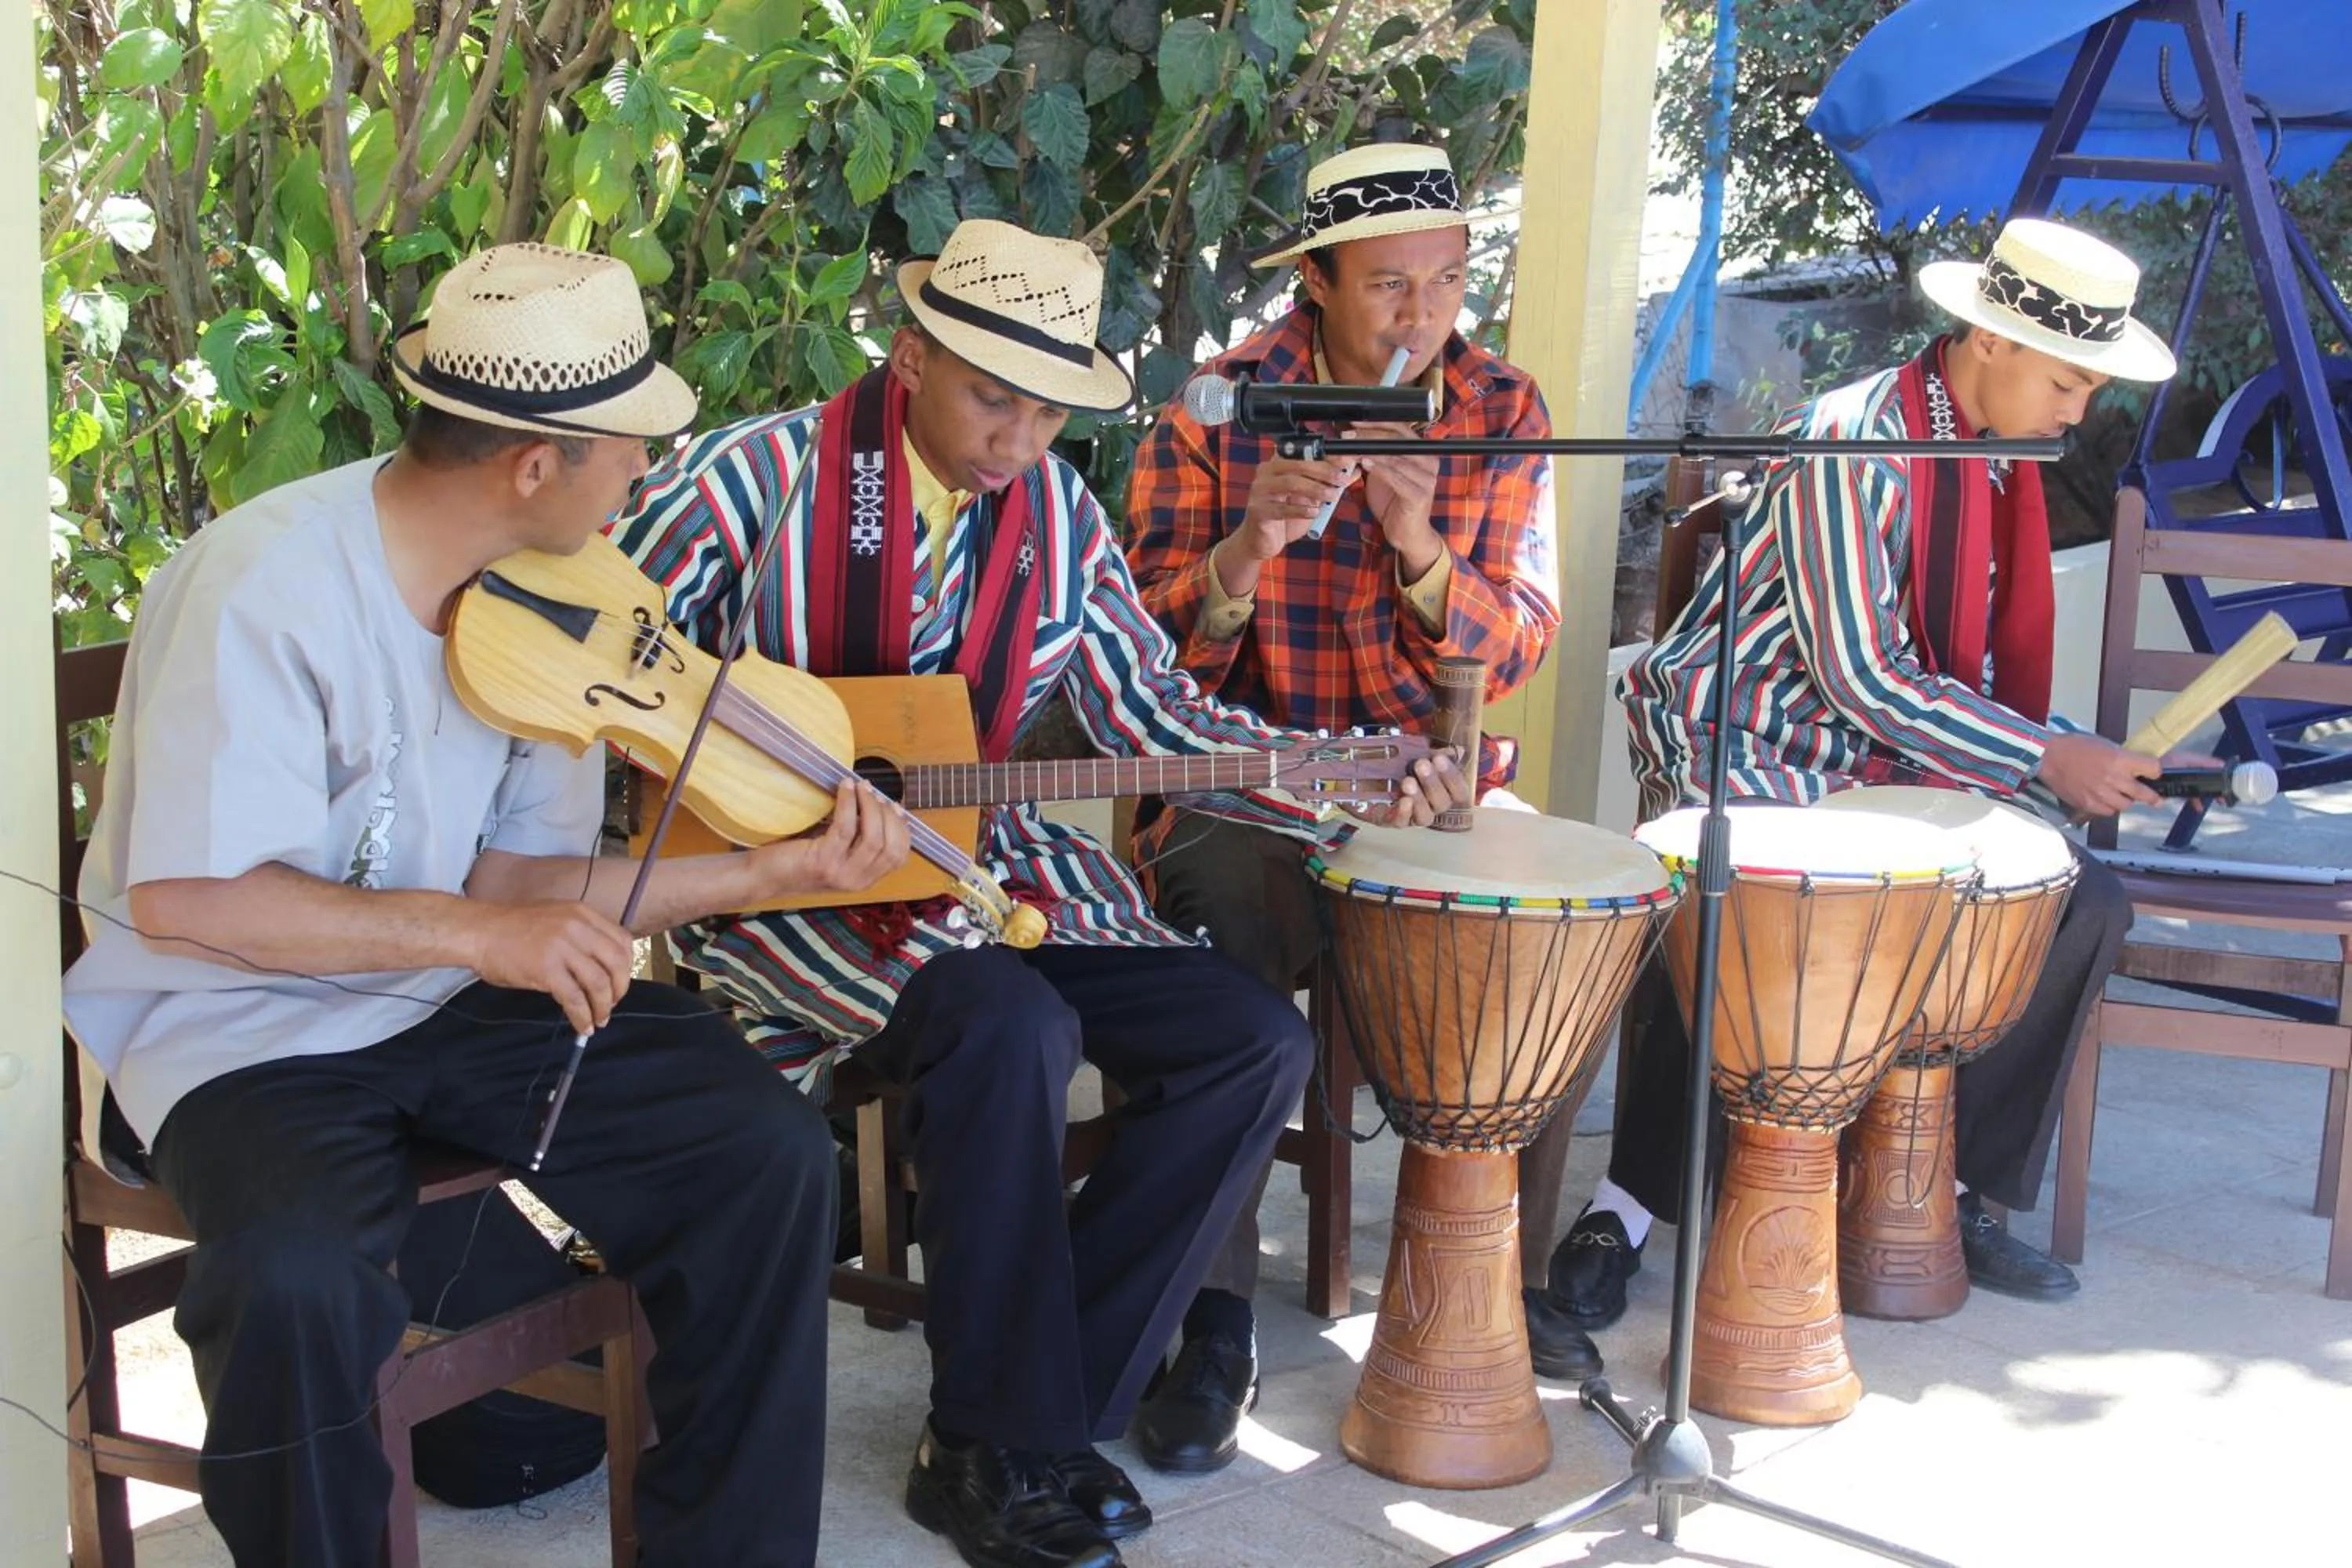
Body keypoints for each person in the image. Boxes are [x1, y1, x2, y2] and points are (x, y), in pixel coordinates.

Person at [609, 216, 1467, 1568]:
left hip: (991, 876)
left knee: (1253, 1041)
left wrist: (1328, 779)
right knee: (1013, 1026)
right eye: (989, 396)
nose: (1018, 437)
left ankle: (1022, 1416)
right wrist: (711, 780)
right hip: (784, 900)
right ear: (910, 355)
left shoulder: (1058, 514)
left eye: (1047, 408)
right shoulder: (753, 480)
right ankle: (1009, 1443)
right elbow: (606, 651)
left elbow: (1150, 709)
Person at [61, 245, 895, 1567]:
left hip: (441, 1003)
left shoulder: (559, 599)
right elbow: (186, 898)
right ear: (534, 464)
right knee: (296, 1281)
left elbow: (523, 886)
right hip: (242, 1033)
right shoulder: (261, 585)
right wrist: (475, 936)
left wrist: (767, 873)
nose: (645, 475)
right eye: (630, 448)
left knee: (759, 1151)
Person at [1543, 217, 2182, 1371]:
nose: (2078, 412)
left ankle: (1952, 1191)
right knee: (1745, 901)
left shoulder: (1991, 453)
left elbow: (1950, 670)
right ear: (1987, 339)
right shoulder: (1855, 440)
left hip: (1889, 754)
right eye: (2066, 380)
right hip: (1753, 732)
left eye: (2089, 387)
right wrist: (2042, 756)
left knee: (2083, 902)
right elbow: (1863, 674)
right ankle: (1622, 1214)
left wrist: (2061, 747)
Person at [1122, 140, 1567, 1450]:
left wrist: (1423, 548)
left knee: (1552, 926)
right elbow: (1139, 655)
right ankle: (1213, 1321)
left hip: (1431, 773)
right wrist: (1248, 545)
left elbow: (1523, 638)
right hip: (1248, 778)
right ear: (1313, 283)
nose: (1420, 317)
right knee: (1226, 937)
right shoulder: (1221, 401)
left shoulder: (1498, 405)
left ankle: (1497, 1288)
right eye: (1386, 287)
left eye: (1442, 283)